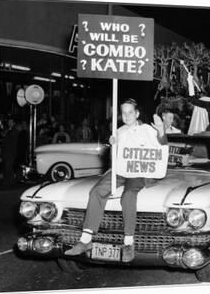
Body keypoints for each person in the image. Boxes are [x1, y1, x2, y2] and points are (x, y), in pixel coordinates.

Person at [65, 99, 167, 263]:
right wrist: (113, 145)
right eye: (124, 113)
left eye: (130, 112)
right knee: (96, 191)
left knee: (127, 196)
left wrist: (161, 129)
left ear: (137, 114)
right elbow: (114, 159)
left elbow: (162, 144)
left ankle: (128, 243)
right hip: (120, 171)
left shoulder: (147, 129)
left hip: (138, 172)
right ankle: (85, 239)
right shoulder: (118, 131)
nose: (127, 116)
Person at [1, 118, 19, 186]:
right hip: (6, 151)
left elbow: (10, 139)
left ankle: (8, 181)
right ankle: (10, 181)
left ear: (14, 123)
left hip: (10, 152)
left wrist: (5, 135)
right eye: (9, 122)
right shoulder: (8, 130)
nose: (9, 123)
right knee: (8, 167)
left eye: (11, 122)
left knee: (8, 167)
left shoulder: (14, 131)